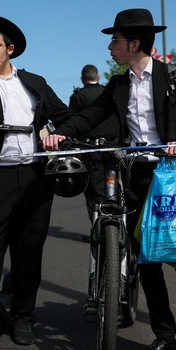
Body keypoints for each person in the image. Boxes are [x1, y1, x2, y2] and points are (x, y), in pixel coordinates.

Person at [42, 8, 176, 350]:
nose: (109, 47)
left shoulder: (174, 76)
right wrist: (62, 133)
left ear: (133, 44)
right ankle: (165, 340)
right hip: (135, 177)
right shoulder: (118, 85)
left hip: (172, 177)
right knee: (147, 264)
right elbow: (90, 116)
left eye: (114, 40)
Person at [0, 15, 72, 345]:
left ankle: (23, 316)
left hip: (34, 176)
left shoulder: (34, 82)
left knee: (29, 248)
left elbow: (64, 115)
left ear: (11, 49)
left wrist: (60, 135)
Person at [69, 64, 118, 233]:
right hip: (113, 147)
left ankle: (99, 230)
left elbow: (73, 123)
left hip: (91, 148)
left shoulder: (78, 96)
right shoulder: (108, 92)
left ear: (82, 79)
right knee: (115, 188)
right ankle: (116, 226)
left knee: (94, 191)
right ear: (98, 77)